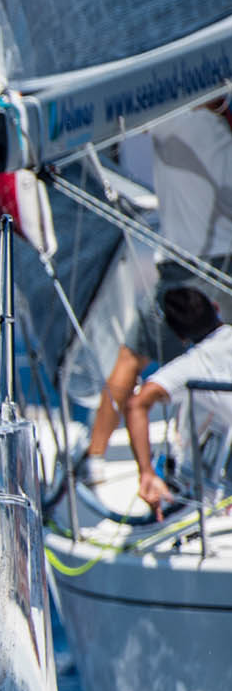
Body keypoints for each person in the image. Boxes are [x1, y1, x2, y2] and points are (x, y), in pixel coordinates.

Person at [82, 99, 232, 477]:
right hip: (216, 261)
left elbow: (121, 114)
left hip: (188, 264)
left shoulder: (167, 109)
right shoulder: (202, 118)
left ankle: (94, 462)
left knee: (130, 361)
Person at [126, 287, 232, 514]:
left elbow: (137, 404)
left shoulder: (191, 366)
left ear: (180, 336)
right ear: (216, 308)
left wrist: (146, 473)